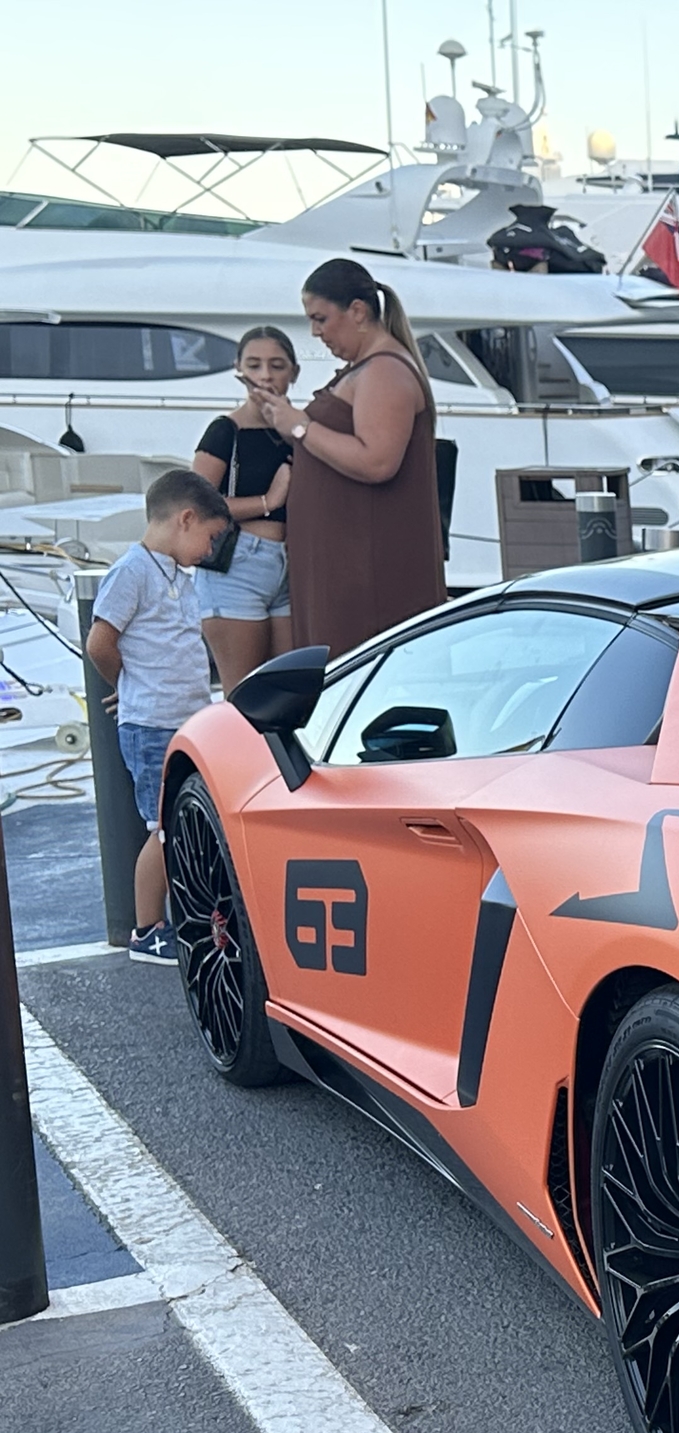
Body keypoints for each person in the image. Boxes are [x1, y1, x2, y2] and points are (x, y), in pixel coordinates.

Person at [247, 258, 442, 656]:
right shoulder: (363, 370)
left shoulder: (384, 371)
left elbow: (377, 461)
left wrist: (300, 426)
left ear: (357, 311)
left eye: (320, 318)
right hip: (344, 567)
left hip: (365, 574)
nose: (315, 332)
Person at [85, 470, 229, 965]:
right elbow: (100, 643)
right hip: (152, 725)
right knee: (163, 828)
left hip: (186, 721)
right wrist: (128, 688)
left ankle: (186, 915)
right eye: (210, 538)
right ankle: (147, 929)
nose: (210, 551)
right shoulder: (132, 572)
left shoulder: (175, 575)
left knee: (185, 822)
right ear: (186, 519)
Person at [190, 326, 297, 690]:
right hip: (238, 567)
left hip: (289, 566)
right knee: (246, 695)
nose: (265, 375)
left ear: (294, 372)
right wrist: (269, 502)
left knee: (290, 691)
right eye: (254, 365)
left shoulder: (297, 430)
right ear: (239, 370)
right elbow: (195, 503)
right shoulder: (226, 430)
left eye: (277, 365)